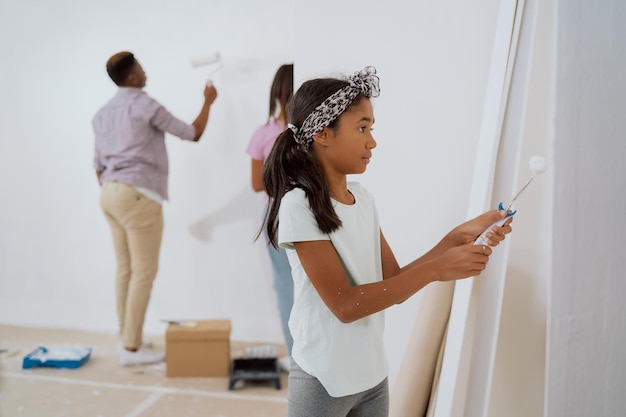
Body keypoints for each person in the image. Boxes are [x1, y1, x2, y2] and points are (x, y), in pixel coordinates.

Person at [261, 66, 513, 417]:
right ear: (323, 134)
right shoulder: (298, 205)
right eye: (362, 128)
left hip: (372, 376)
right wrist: (440, 269)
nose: (372, 141)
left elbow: (392, 281)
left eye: (371, 128)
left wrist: (456, 237)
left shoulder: (362, 199)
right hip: (325, 378)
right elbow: (346, 305)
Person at [92, 51, 218, 366]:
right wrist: (208, 101)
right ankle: (131, 349)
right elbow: (192, 133)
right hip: (138, 194)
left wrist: (118, 187)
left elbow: (97, 166)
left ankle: (127, 340)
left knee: (125, 269)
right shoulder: (146, 105)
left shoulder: (102, 113)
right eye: (141, 68)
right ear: (132, 77)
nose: (145, 72)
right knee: (144, 272)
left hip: (109, 192)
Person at [246, 64, 294, 371]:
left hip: (278, 213)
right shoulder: (308, 133)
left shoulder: (264, 134)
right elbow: (255, 185)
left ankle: (296, 355)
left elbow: (257, 184)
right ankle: (301, 354)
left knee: (286, 285)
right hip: (290, 212)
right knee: (298, 285)